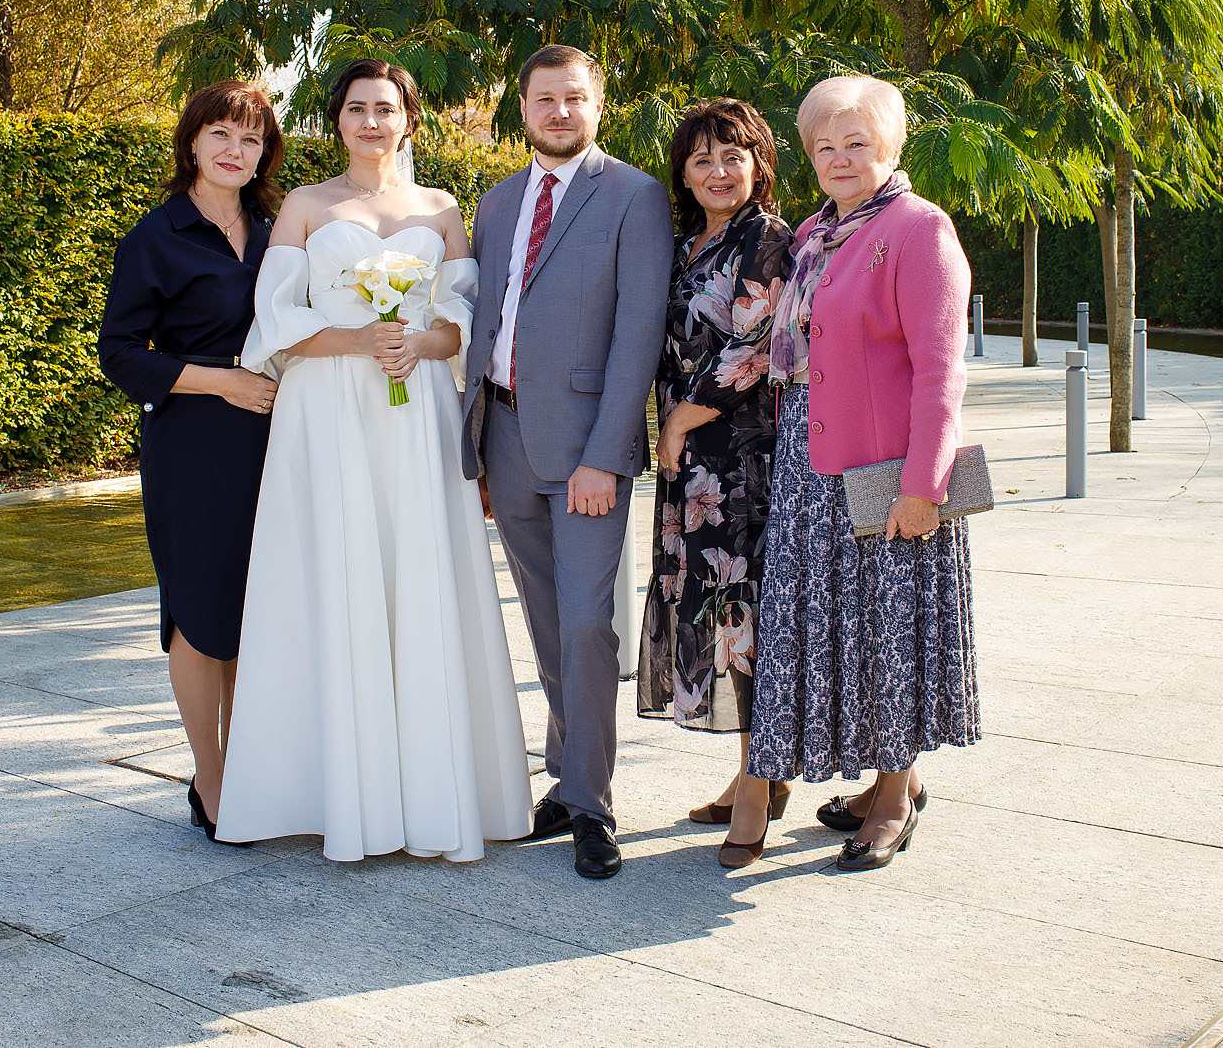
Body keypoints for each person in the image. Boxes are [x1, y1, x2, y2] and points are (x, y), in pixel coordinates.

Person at [213, 58, 531, 861]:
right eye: (355, 108)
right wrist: (358, 338)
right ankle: (328, 789)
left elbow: (466, 315)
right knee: (336, 573)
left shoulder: (442, 207)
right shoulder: (306, 205)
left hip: (415, 404)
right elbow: (274, 318)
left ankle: (431, 792)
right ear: (337, 119)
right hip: (328, 408)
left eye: (385, 108)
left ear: (409, 120)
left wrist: (422, 341)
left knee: (419, 574)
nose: (370, 122)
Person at [745, 74, 979, 871]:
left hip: (888, 474)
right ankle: (882, 778)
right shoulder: (815, 232)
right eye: (824, 145)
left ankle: (894, 792)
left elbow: (940, 369)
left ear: (891, 147)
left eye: (857, 143)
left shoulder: (919, 230)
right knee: (838, 632)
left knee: (888, 630)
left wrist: (924, 485)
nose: (840, 157)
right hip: (811, 472)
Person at [460, 43, 673, 880]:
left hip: (587, 451)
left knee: (589, 625)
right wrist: (475, 442)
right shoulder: (497, 202)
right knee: (545, 623)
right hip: (503, 437)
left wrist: (605, 454)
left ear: (598, 104)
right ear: (522, 108)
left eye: (573, 98)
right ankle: (568, 772)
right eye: (544, 98)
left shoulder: (634, 195)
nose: (558, 111)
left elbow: (636, 337)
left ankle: (591, 801)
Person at [98, 80, 283, 842]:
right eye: (221, 135)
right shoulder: (157, 235)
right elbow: (119, 354)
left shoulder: (278, 230)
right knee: (199, 611)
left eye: (250, 138)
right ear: (192, 142)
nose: (234, 150)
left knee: (255, 608)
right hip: (194, 440)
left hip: (276, 441)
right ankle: (208, 776)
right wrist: (223, 382)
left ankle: (249, 763)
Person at [635, 99, 795, 869]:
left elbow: (751, 347)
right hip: (692, 463)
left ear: (760, 163)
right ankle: (751, 768)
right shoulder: (682, 243)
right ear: (683, 173)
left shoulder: (766, 238)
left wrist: (674, 424)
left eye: (733, 155)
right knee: (719, 612)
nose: (719, 171)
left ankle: (761, 787)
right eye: (702, 159)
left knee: (745, 620)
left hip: (740, 457)